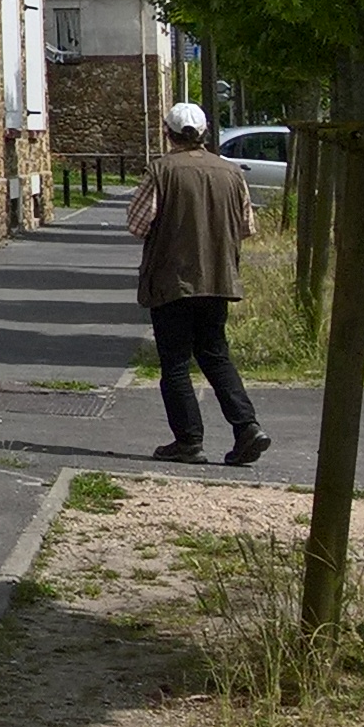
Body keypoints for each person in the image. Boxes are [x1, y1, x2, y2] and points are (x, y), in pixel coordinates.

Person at [131, 102, 269, 465]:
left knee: (175, 362)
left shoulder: (160, 171)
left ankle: (189, 440)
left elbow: (138, 224)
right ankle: (247, 426)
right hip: (219, 277)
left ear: (168, 133)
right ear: (205, 133)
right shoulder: (231, 172)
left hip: (172, 280)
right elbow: (246, 227)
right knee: (215, 354)